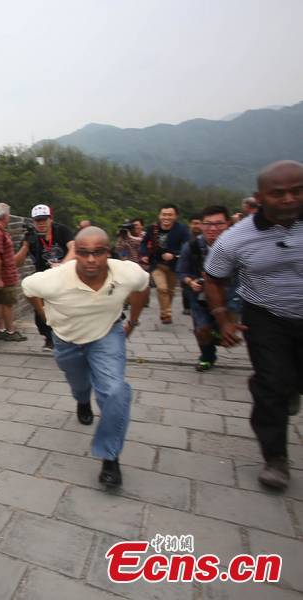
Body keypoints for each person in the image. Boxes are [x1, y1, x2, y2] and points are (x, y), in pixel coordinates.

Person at [22, 227, 149, 487]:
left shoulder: (127, 272)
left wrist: (133, 322)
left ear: (108, 252)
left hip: (107, 335)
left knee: (115, 391)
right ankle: (82, 400)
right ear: (75, 254)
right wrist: (45, 316)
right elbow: (28, 289)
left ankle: (110, 456)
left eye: (98, 252)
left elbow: (142, 287)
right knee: (79, 383)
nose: (91, 260)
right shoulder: (53, 279)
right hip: (67, 340)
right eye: (84, 253)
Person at [204, 160, 303, 491]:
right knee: (271, 385)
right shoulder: (235, 239)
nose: (289, 199)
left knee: (290, 381)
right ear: (260, 197)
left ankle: (292, 387)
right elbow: (214, 278)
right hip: (266, 315)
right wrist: (224, 319)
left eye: (297, 191)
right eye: (279, 194)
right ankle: (275, 457)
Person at [177, 206, 237, 371]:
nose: (213, 229)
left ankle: (217, 337)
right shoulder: (192, 247)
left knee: (224, 332)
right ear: (201, 225)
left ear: (228, 224)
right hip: (200, 297)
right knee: (202, 329)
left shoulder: (237, 247)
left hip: (229, 296)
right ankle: (207, 356)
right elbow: (181, 271)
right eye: (208, 224)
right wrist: (190, 282)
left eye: (219, 224)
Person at [15, 204, 75, 350]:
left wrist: (63, 265)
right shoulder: (31, 237)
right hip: (43, 277)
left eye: (44, 219)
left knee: (66, 306)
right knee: (39, 308)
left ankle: (69, 334)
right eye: (37, 220)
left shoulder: (61, 230)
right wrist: (25, 246)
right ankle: (49, 336)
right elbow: (17, 262)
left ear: (50, 219)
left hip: (64, 274)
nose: (41, 223)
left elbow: (74, 248)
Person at [139, 204, 190, 324]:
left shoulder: (182, 229)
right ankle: (166, 314)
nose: (166, 217)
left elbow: (186, 246)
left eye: (170, 215)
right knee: (162, 288)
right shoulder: (153, 228)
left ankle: (165, 311)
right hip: (157, 264)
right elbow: (144, 243)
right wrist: (145, 254)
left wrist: (174, 254)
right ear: (159, 215)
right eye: (164, 214)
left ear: (175, 216)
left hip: (174, 265)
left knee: (170, 291)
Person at [0, 202, 26, 341]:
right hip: (4, 275)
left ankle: (1, 329)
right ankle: (10, 332)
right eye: (8, 214)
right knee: (7, 304)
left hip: (2, 275)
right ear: (4, 215)